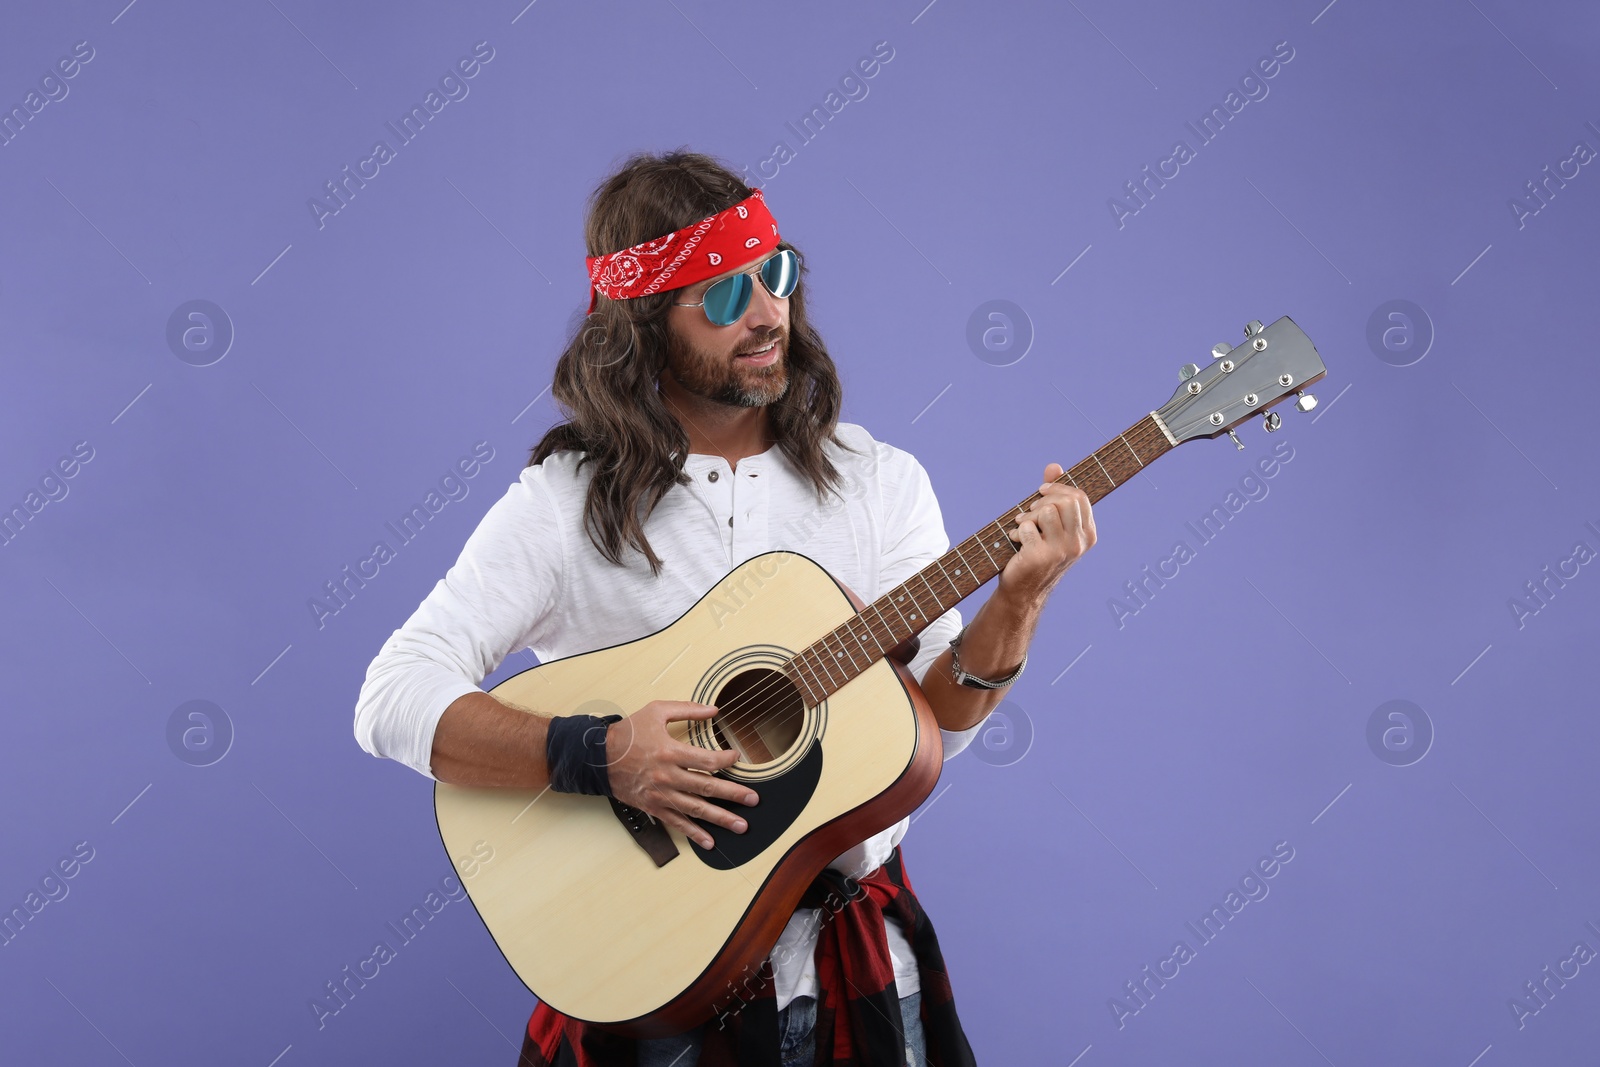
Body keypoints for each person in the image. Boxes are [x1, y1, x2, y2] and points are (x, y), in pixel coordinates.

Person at [352, 149, 1097, 1066]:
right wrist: (599, 753)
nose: (766, 312)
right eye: (720, 295)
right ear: (639, 325)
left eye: (775, 274)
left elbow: (932, 721)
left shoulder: (878, 482)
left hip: (853, 967)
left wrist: (1017, 603)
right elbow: (390, 696)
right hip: (645, 979)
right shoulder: (565, 503)